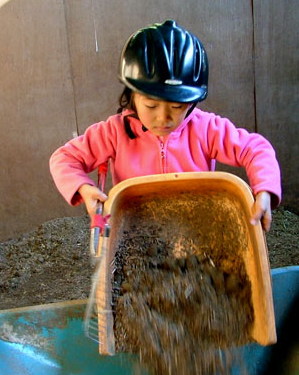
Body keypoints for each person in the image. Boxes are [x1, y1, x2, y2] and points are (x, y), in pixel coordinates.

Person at [50, 20, 281, 231]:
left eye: (178, 107)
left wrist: (264, 189)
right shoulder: (114, 132)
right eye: (151, 106)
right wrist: (84, 188)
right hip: (137, 230)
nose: (164, 118)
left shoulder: (206, 129)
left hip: (195, 228)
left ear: (192, 102)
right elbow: (64, 159)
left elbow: (256, 148)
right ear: (132, 95)